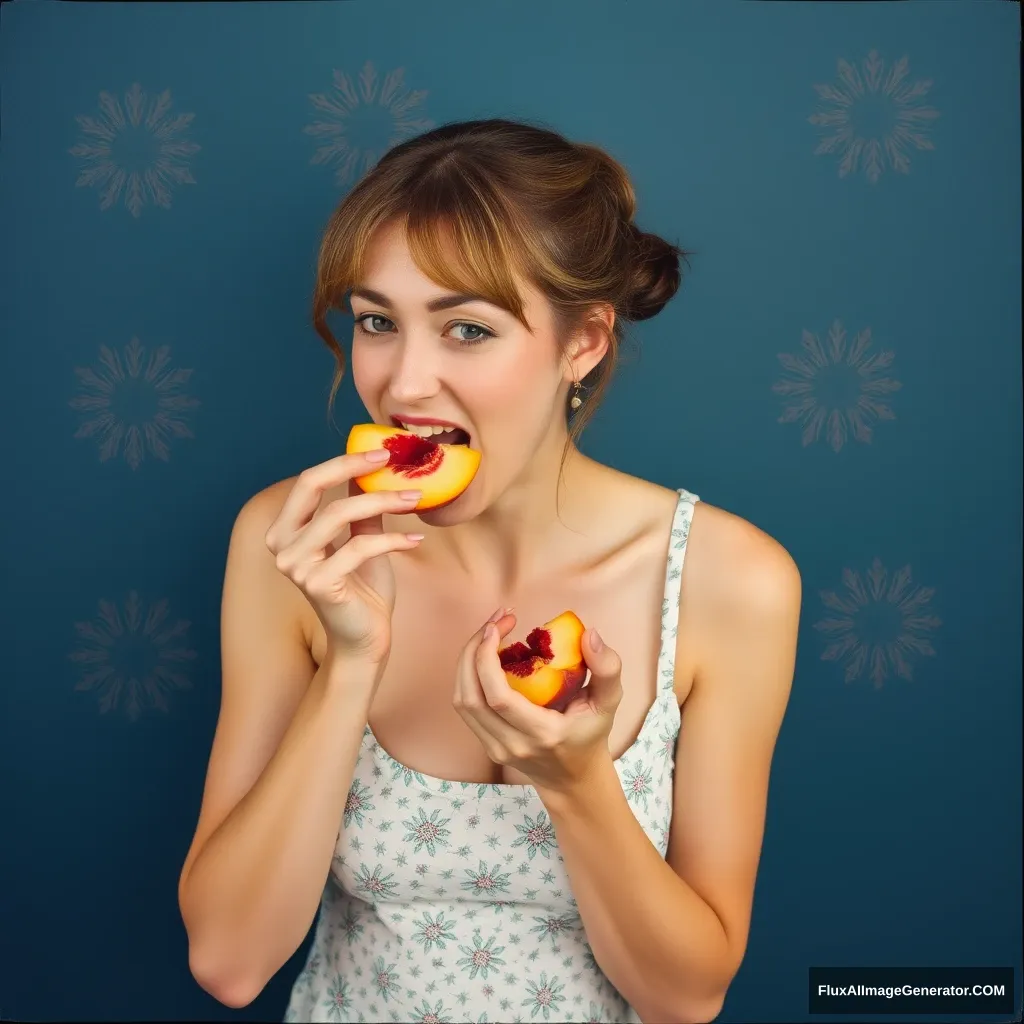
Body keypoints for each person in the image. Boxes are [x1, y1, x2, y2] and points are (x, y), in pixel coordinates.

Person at [177, 118, 802, 1024]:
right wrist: (349, 667)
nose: (406, 383)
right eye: (377, 322)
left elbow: (686, 998)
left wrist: (577, 783)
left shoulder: (729, 580)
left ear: (582, 343)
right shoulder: (293, 542)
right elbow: (231, 963)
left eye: (467, 328)